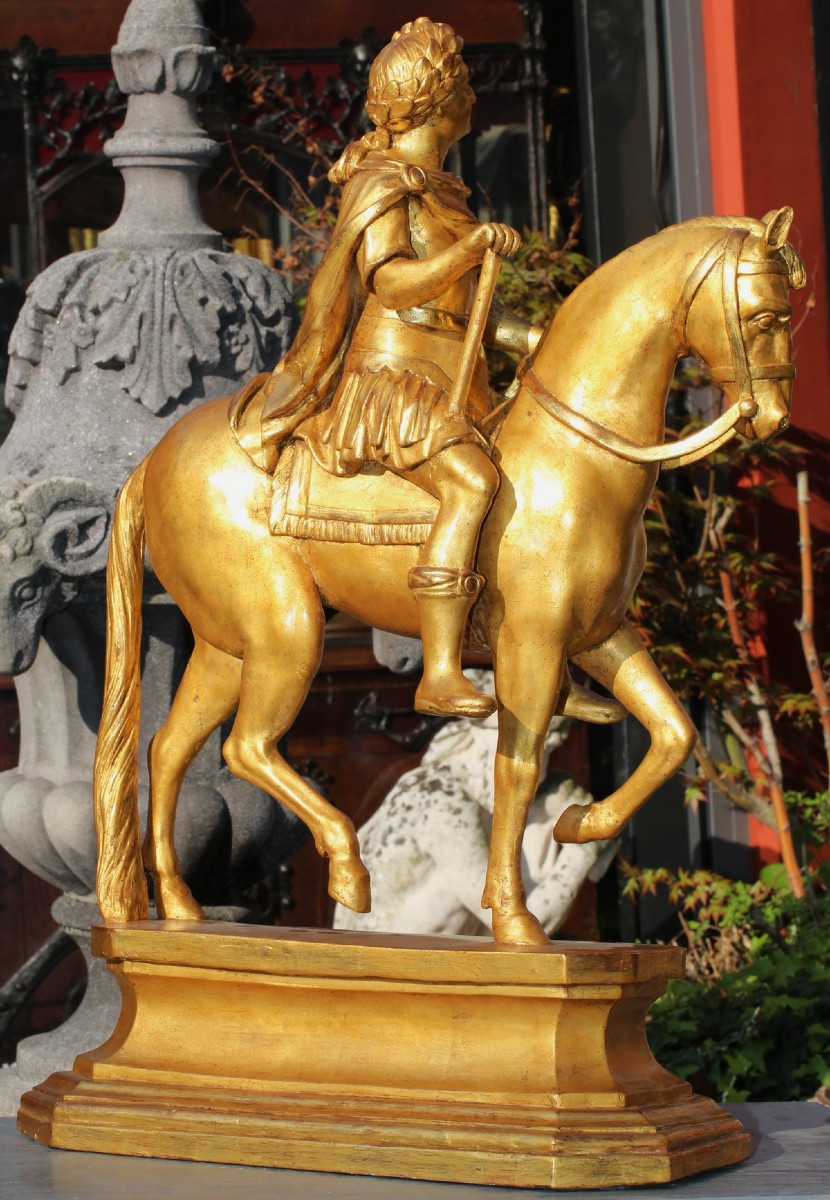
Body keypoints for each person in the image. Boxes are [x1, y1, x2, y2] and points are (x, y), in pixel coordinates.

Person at [240, 18, 541, 719]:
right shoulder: (384, 184)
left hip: (454, 375)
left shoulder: (447, 190)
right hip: (393, 381)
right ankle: (440, 669)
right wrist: (467, 254)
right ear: (435, 98)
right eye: (463, 85)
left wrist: (533, 337)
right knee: (473, 481)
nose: (473, 98)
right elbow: (396, 286)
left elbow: (466, 313)